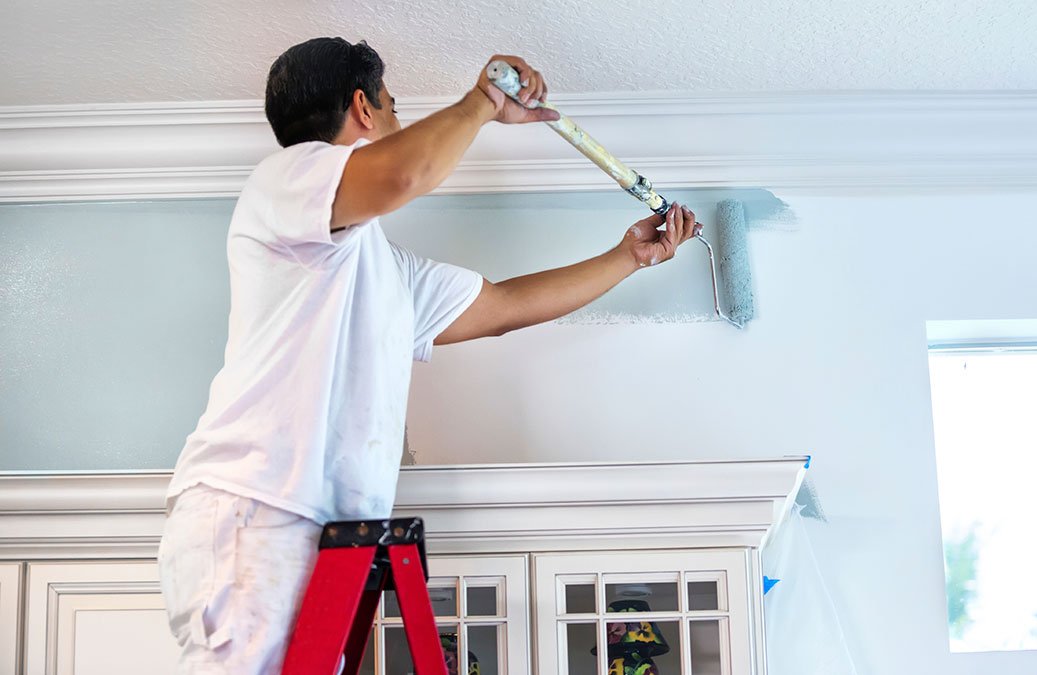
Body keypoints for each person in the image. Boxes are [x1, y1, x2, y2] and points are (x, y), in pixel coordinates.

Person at [156, 37, 700, 674]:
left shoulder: (381, 270)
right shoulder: (285, 180)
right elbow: (402, 174)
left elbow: (502, 306)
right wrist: (482, 102)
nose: (397, 120)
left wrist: (629, 258)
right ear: (363, 108)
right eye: (392, 106)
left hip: (323, 532)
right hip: (258, 506)